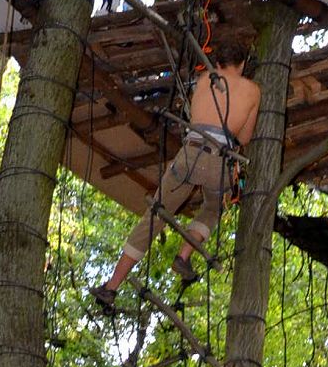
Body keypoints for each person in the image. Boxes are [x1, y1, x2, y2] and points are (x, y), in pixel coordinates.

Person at [93, 35, 260, 305]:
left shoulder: (204, 79)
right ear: (242, 64)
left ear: (216, 61)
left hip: (190, 153)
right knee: (213, 208)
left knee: (155, 216)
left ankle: (111, 287)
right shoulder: (253, 90)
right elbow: (245, 137)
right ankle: (183, 256)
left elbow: (196, 114)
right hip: (219, 164)